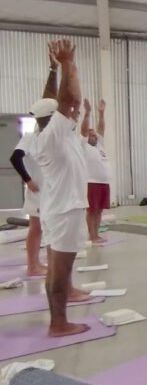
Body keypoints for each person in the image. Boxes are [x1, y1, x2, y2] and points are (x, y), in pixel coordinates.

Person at [35, 40, 92, 337]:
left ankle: (58, 319)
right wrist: (68, 63)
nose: (73, 109)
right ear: (54, 117)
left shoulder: (54, 132)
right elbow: (68, 98)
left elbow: (59, 99)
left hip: (59, 208)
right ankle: (59, 323)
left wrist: (58, 68)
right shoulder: (53, 135)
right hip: (64, 210)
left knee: (58, 267)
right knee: (60, 268)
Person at [9, 43, 59, 276]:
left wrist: (54, 70)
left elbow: (48, 100)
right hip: (38, 189)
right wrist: (28, 180)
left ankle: (37, 264)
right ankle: (32, 265)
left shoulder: (47, 134)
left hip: (47, 189)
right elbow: (15, 157)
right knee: (37, 227)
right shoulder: (32, 136)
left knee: (42, 227)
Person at [80, 98, 111, 243]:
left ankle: (96, 234)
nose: (94, 136)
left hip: (104, 183)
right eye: (91, 134)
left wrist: (102, 113)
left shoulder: (100, 146)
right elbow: (84, 129)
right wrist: (88, 113)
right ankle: (91, 235)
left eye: (95, 135)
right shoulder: (84, 146)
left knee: (99, 211)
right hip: (92, 183)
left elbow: (101, 128)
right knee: (91, 211)